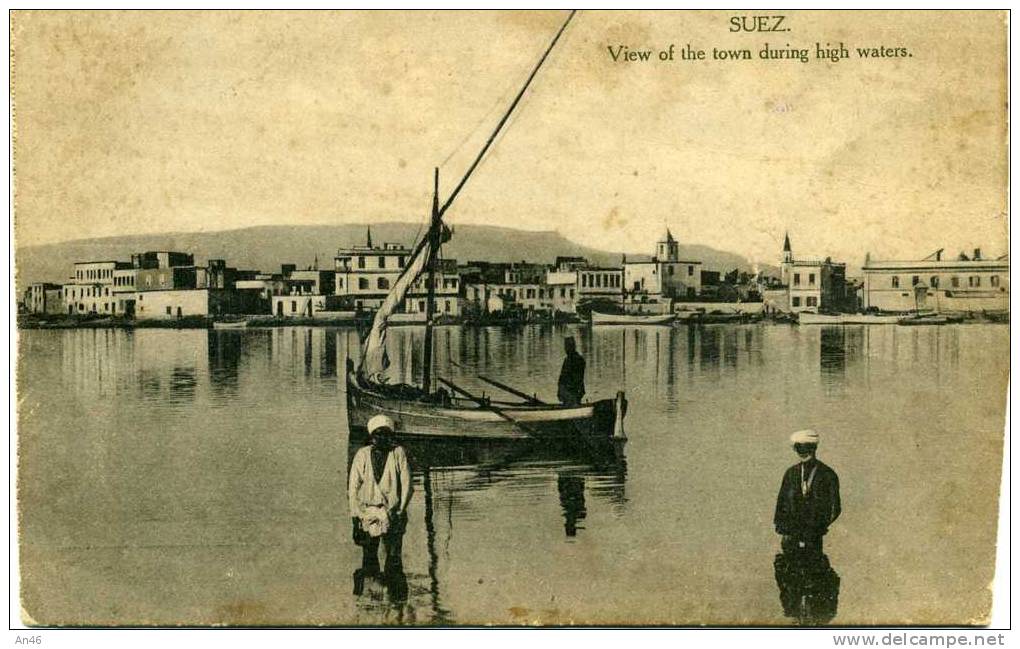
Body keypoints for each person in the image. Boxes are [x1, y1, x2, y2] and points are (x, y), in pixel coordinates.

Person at [348, 415, 412, 584]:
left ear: (391, 437)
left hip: (393, 513)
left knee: (393, 560)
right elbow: (353, 489)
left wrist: (400, 510)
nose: (382, 439)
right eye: (378, 435)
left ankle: (396, 603)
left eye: (386, 435)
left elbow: (407, 485)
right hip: (367, 513)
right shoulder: (362, 455)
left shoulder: (398, 453)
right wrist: (355, 518)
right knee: (369, 559)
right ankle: (371, 603)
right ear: (372, 437)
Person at [773, 429, 841, 556]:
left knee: (813, 571)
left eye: (807, 448)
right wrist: (784, 530)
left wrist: (818, 527)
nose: (803, 453)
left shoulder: (828, 475)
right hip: (790, 538)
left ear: (814, 448)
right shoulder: (790, 474)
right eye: (799, 448)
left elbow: (835, 509)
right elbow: (781, 504)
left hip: (813, 537)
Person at [557, 336, 586, 406]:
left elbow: (573, 379)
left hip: (571, 392)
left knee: (571, 404)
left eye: (566, 347)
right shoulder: (577, 359)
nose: (565, 349)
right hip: (573, 392)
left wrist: (562, 391)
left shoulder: (572, 360)